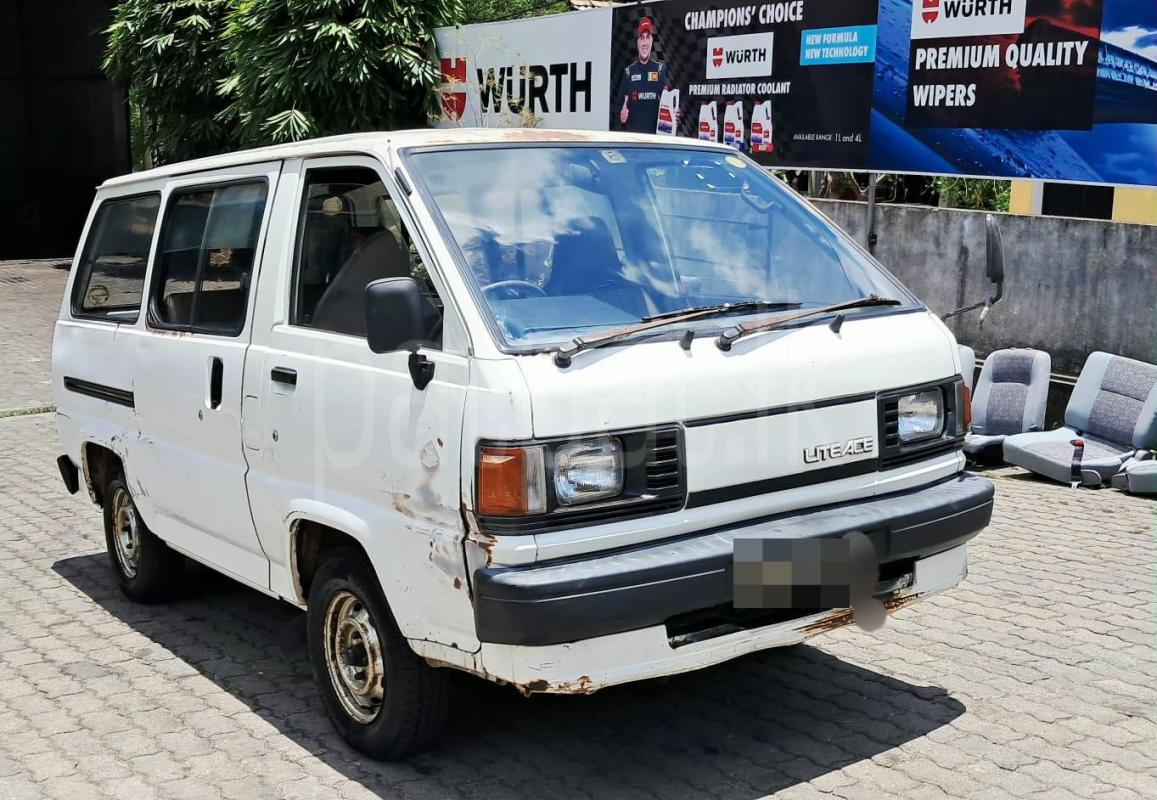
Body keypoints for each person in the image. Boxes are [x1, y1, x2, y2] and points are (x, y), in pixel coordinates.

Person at [616, 17, 676, 134]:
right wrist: (622, 113)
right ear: (637, 42)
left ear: (651, 41)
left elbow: (671, 103)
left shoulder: (660, 70)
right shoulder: (628, 72)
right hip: (634, 139)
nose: (644, 43)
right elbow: (619, 107)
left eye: (647, 38)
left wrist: (675, 113)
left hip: (655, 139)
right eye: (641, 38)